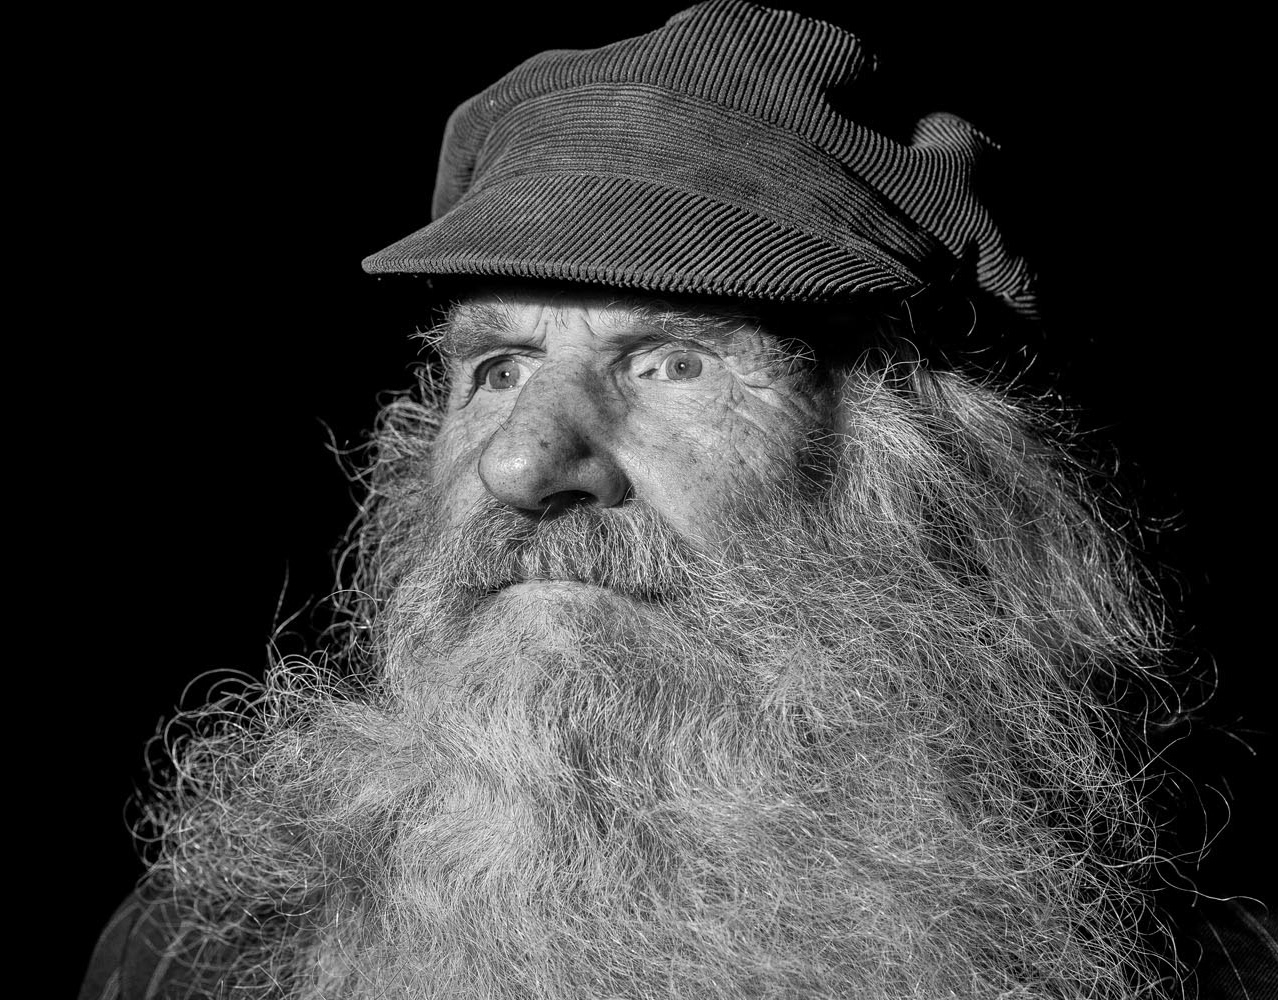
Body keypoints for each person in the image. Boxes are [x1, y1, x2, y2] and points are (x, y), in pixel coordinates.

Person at [78, 3, 1276, 997]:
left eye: (672, 362)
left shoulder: (1195, 968)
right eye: (497, 367)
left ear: (917, 472)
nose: (523, 463)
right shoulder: (199, 954)